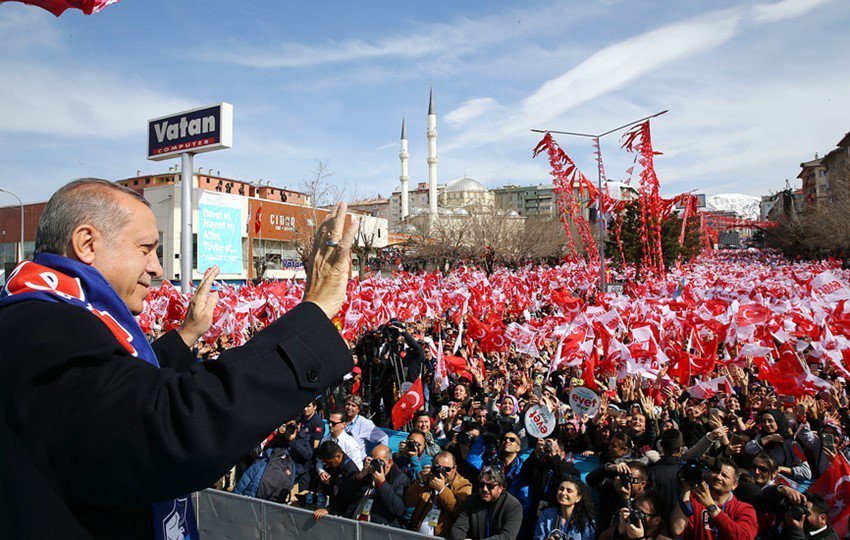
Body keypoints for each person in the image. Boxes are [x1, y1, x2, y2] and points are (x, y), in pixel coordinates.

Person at [0, 179, 358, 538]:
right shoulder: (43, 325)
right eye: (146, 248)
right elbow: (170, 427)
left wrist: (186, 335)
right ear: (87, 244)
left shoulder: (45, 314)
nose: (156, 268)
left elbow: (117, 397)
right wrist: (316, 309)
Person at [670, 456, 758, 540]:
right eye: (716, 472)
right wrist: (686, 489)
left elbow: (744, 537)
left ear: (735, 485)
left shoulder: (744, 509)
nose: (718, 477)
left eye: (725, 476)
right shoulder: (695, 499)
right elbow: (677, 529)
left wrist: (710, 505)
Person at [404, 451, 473, 536]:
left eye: (446, 469)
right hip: (417, 534)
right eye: (438, 468)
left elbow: (458, 510)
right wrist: (420, 482)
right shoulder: (427, 479)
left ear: (454, 469)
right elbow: (408, 502)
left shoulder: (463, 485)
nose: (442, 472)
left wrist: (442, 490)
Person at [449, 467, 524, 540]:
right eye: (482, 485)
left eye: (490, 486)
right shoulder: (471, 501)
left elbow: (507, 536)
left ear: (501, 488)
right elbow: (458, 528)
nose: (485, 489)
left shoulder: (512, 506)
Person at [350, 445, 409, 526]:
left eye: (379, 461)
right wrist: (361, 476)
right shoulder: (368, 473)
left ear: (389, 462)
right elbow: (347, 496)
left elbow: (398, 509)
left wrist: (382, 484)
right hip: (356, 523)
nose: (376, 464)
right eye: (373, 461)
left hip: (378, 528)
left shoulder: (400, 479)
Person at [313, 440, 368, 520]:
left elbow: (346, 498)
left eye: (329, 463)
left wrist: (328, 509)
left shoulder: (350, 471)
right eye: (325, 463)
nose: (327, 466)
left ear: (338, 456)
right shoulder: (335, 466)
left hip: (345, 516)